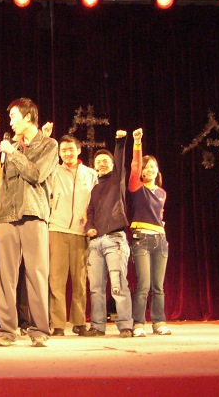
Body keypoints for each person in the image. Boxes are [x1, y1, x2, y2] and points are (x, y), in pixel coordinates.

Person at [0, 97, 58, 348]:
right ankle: (7, 330)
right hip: (8, 215)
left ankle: (39, 329)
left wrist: (13, 153)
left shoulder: (49, 145)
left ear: (28, 117)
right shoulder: (13, 148)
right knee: (5, 274)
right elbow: (3, 185)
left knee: (36, 272)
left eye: (13, 117)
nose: (10, 122)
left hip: (34, 214)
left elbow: (36, 174)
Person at [81, 130, 133, 338]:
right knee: (96, 288)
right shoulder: (95, 189)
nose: (101, 164)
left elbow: (120, 161)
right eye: (98, 161)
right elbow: (90, 212)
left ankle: (125, 325)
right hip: (95, 243)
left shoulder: (116, 180)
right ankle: (97, 326)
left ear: (112, 165)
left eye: (105, 161)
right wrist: (89, 227)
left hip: (114, 240)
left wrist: (120, 142)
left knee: (118, 284)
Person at [0, 112, 30, 336]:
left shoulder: (26, 167)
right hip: (0, 226)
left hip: (24, 224)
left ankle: (24, 321)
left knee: (24, 275)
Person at [48, 135, 98, 336]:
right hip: (56, 228)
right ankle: (58, 324)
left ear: (78, 150)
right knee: (56, 280)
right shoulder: (53, 171)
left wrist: (90, 221)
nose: (67, 153)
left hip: (80, 232)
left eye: (71, 149)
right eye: (63, 150)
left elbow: (96, 203)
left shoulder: (91, 174)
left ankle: (79, 322)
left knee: (79, 280)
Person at [129, 128, 171, 337]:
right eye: (147, 167)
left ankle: (159, 322)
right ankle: (138, 323)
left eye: (153, 166)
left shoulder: (162, 193)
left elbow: (159, 216)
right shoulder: (137, 187)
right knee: (143, 285)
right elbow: (135, 165)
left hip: (160, 241)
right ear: (142, 172)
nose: (150, 169)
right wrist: (137, 143)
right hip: (142, 240)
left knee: (158, 286)